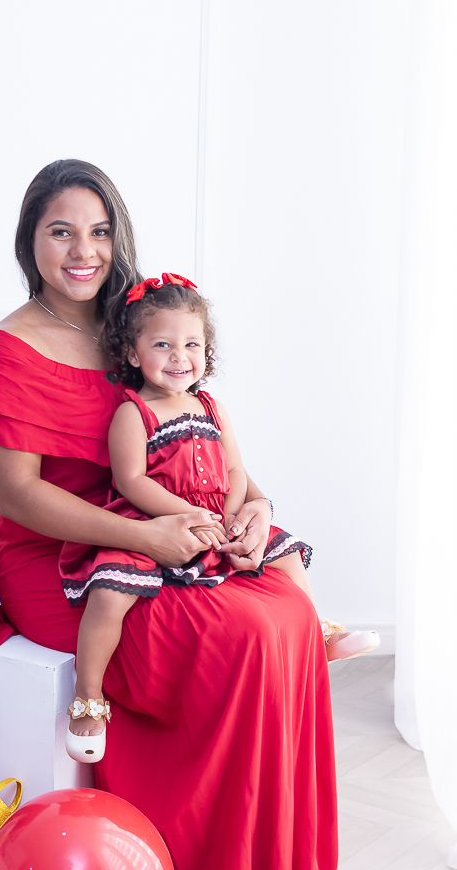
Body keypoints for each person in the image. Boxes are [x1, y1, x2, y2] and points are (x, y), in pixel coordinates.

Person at [0, 159, 338, 870]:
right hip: (64, 553)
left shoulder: (132, 332)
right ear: (28, 239)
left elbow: (211, 449)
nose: (82, 250)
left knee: (284, 614)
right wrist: (148, 535)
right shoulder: (2, 350)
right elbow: (19, 498)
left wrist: (255, 511)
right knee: (234, 631)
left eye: (99, 231)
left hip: (167, 533)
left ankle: (269, 865)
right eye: (60, 231)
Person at [60, 275, 380, 764]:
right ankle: (88, 698)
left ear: (206, 351)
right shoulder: (134, 413)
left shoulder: (213, 407)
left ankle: (318, 631)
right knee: (110, 592)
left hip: (214, 516)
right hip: (154, 520)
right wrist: (185, 514)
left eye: (191, 344)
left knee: (286, 551)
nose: (178, 357)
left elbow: (233, 469)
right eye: (162, 345)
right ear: (132, 353)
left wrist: (230, 513)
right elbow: (131, 482)